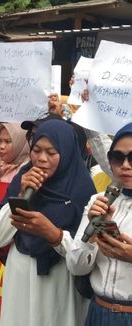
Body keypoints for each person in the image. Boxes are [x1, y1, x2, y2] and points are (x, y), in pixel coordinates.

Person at [0, 119, 95, 326]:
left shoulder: (81, 190)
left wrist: (54, 235)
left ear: (66, 153)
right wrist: (21, 194)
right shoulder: (22, 178)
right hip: (20, 276)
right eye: (36, 150)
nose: (41, 159)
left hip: (58, 283)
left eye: (51, 153)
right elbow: (0, 237)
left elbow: (86, 258)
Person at [65, 122, 132, 325]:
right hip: (98, 312)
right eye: (117, 157)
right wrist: (91, 234)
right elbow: (76, 267)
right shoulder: (100, 201)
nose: (125, 165)